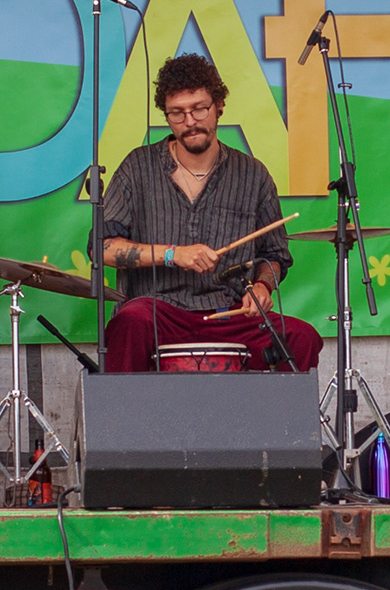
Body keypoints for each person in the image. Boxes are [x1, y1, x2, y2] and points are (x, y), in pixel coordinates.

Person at [97, 54, 321, 373]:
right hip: (159, 312)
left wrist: (262, 287)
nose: (190, 121)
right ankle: (121, 409)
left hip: (229, 314)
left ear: (219, 106)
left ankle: (278, 411)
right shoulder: (137, 167)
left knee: (301, 337)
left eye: (199, 108)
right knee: (129, 321)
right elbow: (103, 248)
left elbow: (274, 256)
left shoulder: (252, 174)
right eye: (177, 113)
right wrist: (174, 254)